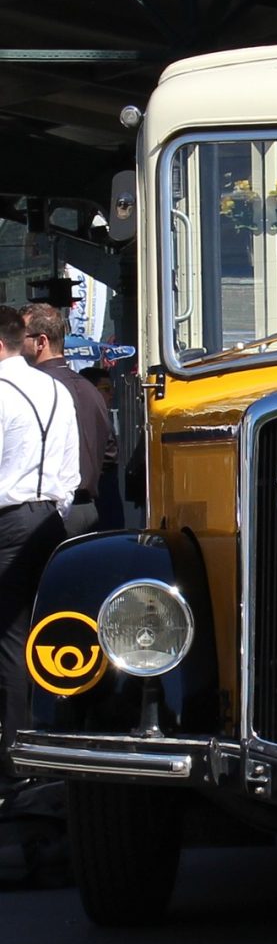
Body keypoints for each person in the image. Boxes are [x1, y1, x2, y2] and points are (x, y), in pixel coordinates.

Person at [0, 305, 79, 796]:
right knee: (39, 632)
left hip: (9, 519)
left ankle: (14, 756)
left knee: (8, 639)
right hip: (51, 516)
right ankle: (41, 741)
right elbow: (71, 462)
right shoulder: (54, 388)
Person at [19, 303, 111, 536]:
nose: (16, 344)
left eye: (21, 337)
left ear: (42, 342)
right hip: (90, 510)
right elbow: (109, 451)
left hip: (52, 511)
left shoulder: (32, 390)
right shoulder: (91, 390)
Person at [79, 366, 125, 530]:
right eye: (105, 389)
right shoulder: (89, 420)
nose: (111, 394)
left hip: (108, 495)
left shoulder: (101, 416)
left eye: (112, 389)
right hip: (98, 498)